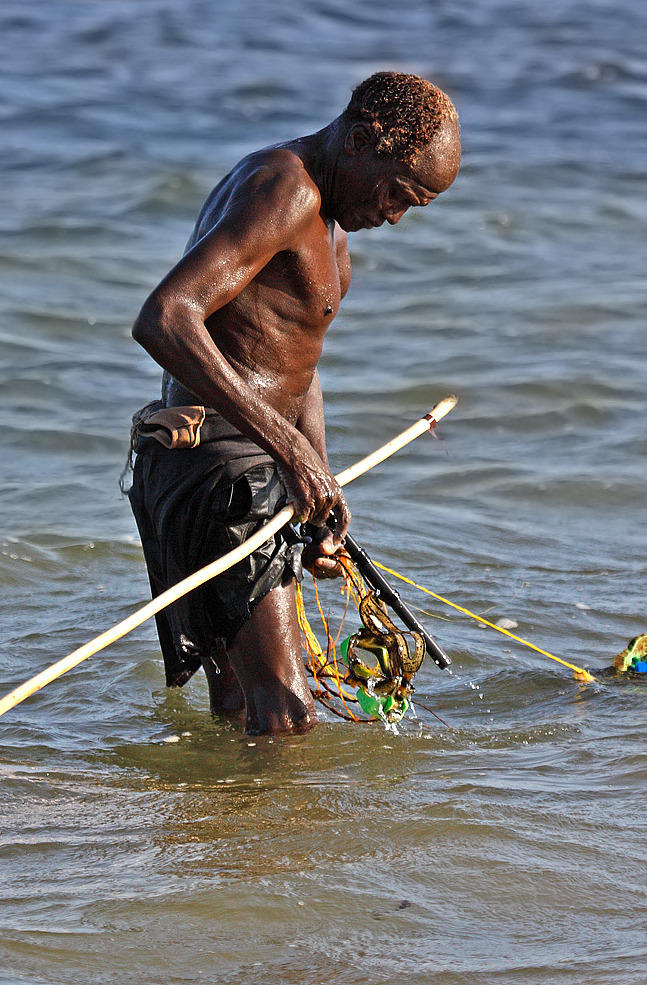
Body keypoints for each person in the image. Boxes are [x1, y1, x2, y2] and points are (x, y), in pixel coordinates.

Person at [126, 72, 461, 736]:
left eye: (413, 206)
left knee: (240, 707)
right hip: (221, 470)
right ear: (361, 141)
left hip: (237, 463)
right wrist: (288, 451)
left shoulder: (329, 223)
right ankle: (281, 816)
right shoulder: (285, 190)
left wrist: (318, 481)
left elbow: (297, 366)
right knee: (286, 711)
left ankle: (219, 812)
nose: (395, 216)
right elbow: (165, 317)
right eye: (396, 193)